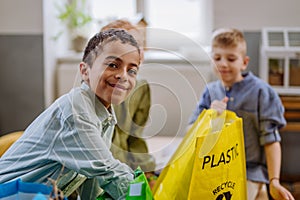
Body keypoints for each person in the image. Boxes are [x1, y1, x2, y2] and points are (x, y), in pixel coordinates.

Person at [0, 29, 142, 199]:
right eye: (113, 65)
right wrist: (142, 193)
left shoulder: (105, 116)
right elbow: (109, 171)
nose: (123, 76)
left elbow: (94, 179)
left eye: (132, 70)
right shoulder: (76, 111)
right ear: (85, 71)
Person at [188, 28, 295, 200]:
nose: (223, 64)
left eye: (231, 59)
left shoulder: (261, 92)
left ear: (244, 62)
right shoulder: (210, 92)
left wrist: (274, 180)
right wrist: (208, 117)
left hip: (251, 172)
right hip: (217, 173)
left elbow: (271, 140)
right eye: (217, 58)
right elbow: (191, 133)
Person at [101, 20, 157, 187]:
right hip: (103, 169)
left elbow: (135, 135)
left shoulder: (140, 88)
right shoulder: (100, 91)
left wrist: (146, 169)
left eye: (139, 45)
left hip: (126, 165)